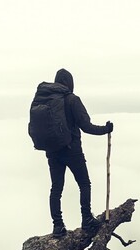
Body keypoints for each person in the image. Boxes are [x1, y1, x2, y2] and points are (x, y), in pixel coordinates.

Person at [33, 68, 113, 237]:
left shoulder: (46, 100)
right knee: (84, 184)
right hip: (72, 151)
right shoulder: (72, 100)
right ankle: (87, 220)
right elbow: (87, 127)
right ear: (70, 82)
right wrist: (106, 129)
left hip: (52, 151)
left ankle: (58, 226)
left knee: (56, 189)